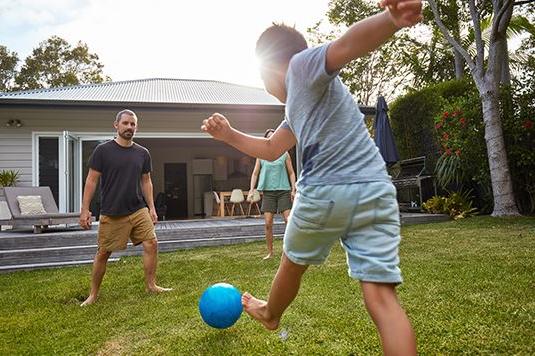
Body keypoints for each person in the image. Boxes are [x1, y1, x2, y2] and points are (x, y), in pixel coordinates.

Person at [201, 0, 421, 354]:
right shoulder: (299, 106)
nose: (264, 83)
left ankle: (271, 313)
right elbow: (273, 148)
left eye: (261, 75)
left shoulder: (300, 67)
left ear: (272, 63)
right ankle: (271, 312)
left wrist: (390, 19)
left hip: (326, 191)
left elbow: (346, 46)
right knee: (381, 299)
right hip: (375, 192)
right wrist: (229, 136)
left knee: (292, 261)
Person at [79, 109, 171, 306]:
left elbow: (146, 181)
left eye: (133, 124)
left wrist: (151, 207)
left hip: (138, 209)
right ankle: (93, 294)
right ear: (116, 125)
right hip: (112, 212)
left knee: (152, 243)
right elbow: (91, 181)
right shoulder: (103, 151)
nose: (129, 127)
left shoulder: (142, 153)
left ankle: (151, 285)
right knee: (103, 252)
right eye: (126, 123)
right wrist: (85, 209)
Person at [248, 128, 296, 260]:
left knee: (288, 221)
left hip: (283, 191)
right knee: (268, 223)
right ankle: (270, 252)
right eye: (268, 137)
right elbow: (255, 173)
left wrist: (293, 189)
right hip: (268, 193)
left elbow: (291, 172)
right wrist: (252, 189)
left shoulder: (285, 154)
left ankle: (289, 252)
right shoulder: (261, 155)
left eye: (273, 137)